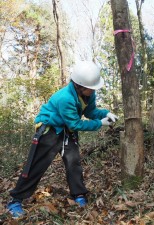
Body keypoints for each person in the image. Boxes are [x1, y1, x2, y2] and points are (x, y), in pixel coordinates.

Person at [7, 61, 119, 218]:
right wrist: (99, 124)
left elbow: (91, 111)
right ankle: (15, 200)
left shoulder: (89, 93)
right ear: (79, 85)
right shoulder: (65, 98)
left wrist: (105, 114)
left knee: (74, 164)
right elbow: (75, 123)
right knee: (36, 166)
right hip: (50, 130)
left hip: (68, 130)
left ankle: (79, 195)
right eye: (90, 88)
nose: (93, 91)